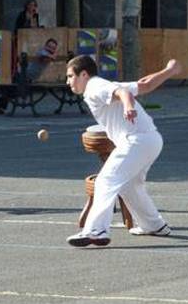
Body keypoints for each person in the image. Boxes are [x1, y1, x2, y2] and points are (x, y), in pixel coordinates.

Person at [65, 55, 181, 247]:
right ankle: (153, 225)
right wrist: (169, 71)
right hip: (151, 140)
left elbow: (122, 93)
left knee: (106, 180)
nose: (68, 82)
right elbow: (145, 85)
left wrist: (128, 106)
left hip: (136, 141)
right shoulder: (102, 84)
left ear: (83, 74)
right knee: (130, 186)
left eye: (70, 76)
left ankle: (96, 230)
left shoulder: (94, 86)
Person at [0, 38, 59, 115]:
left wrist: (53, 55)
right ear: (45, 46)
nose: (50, 49)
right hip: (21, 75)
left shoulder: (49, 55)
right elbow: (44, 55)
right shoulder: (41, 51)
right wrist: (53, 55)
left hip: (28, 78)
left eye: (53, 48)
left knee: (12, 93)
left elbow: (50, 56)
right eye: (49, 46)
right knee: (12, 92)